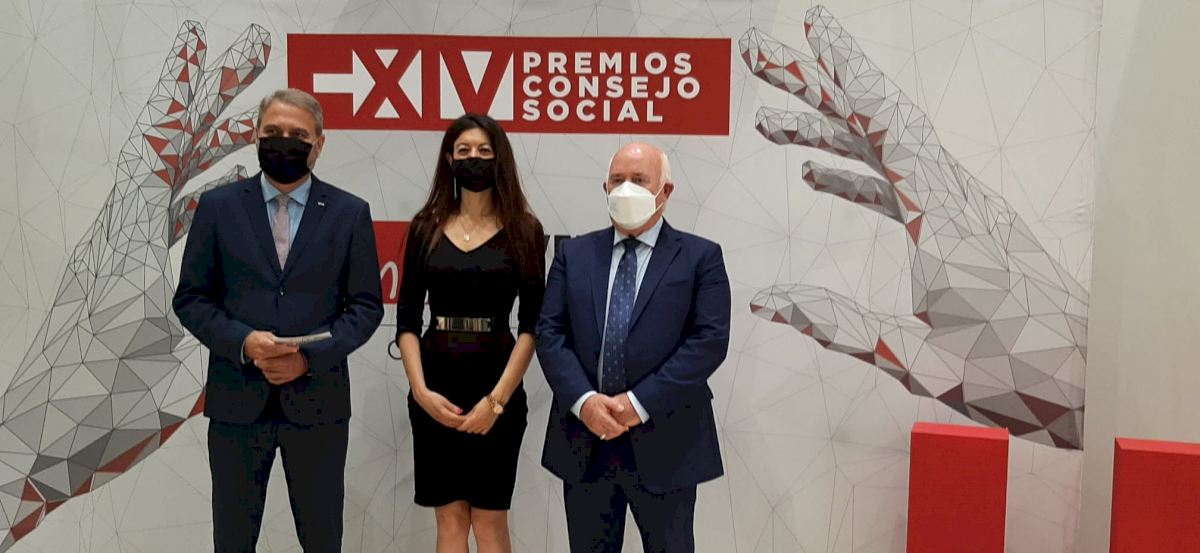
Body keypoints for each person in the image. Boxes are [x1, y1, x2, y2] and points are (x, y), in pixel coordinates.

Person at [172, 88, 384, 553]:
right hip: (237, 405)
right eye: (273, 132)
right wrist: (245, 342)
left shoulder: (350, 213)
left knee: (322, 539)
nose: (284, 141)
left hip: (319, 406)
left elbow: (366, 307)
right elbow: (190, 298)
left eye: (297, 135)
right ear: (256, 136)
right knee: (232, 540)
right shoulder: (218, 207)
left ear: (319, 144)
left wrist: (308, 359)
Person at [537, 143, 731, 553]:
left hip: (667, 441)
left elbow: (708, 342)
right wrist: (585, 402)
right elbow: (550, 334)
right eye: (618, 180)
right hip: (586, 441)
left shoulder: (701, 257)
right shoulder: (573, 254)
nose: (626, 189)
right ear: (605, 187)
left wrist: (636, 404)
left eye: (640, 180)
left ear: (665, 190)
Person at [394, 114, 545, 553]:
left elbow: (531, 326)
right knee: (450, 518)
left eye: (483, 151)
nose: (473, 159)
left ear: (499, 159)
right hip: (435, 386)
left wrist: (496, 402)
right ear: (449, 158)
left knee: (490, 519)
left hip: (496, 387)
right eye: (463, 151)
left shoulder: (525, 229)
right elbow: (407, 319)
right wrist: (420, 391)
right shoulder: (425, 227)